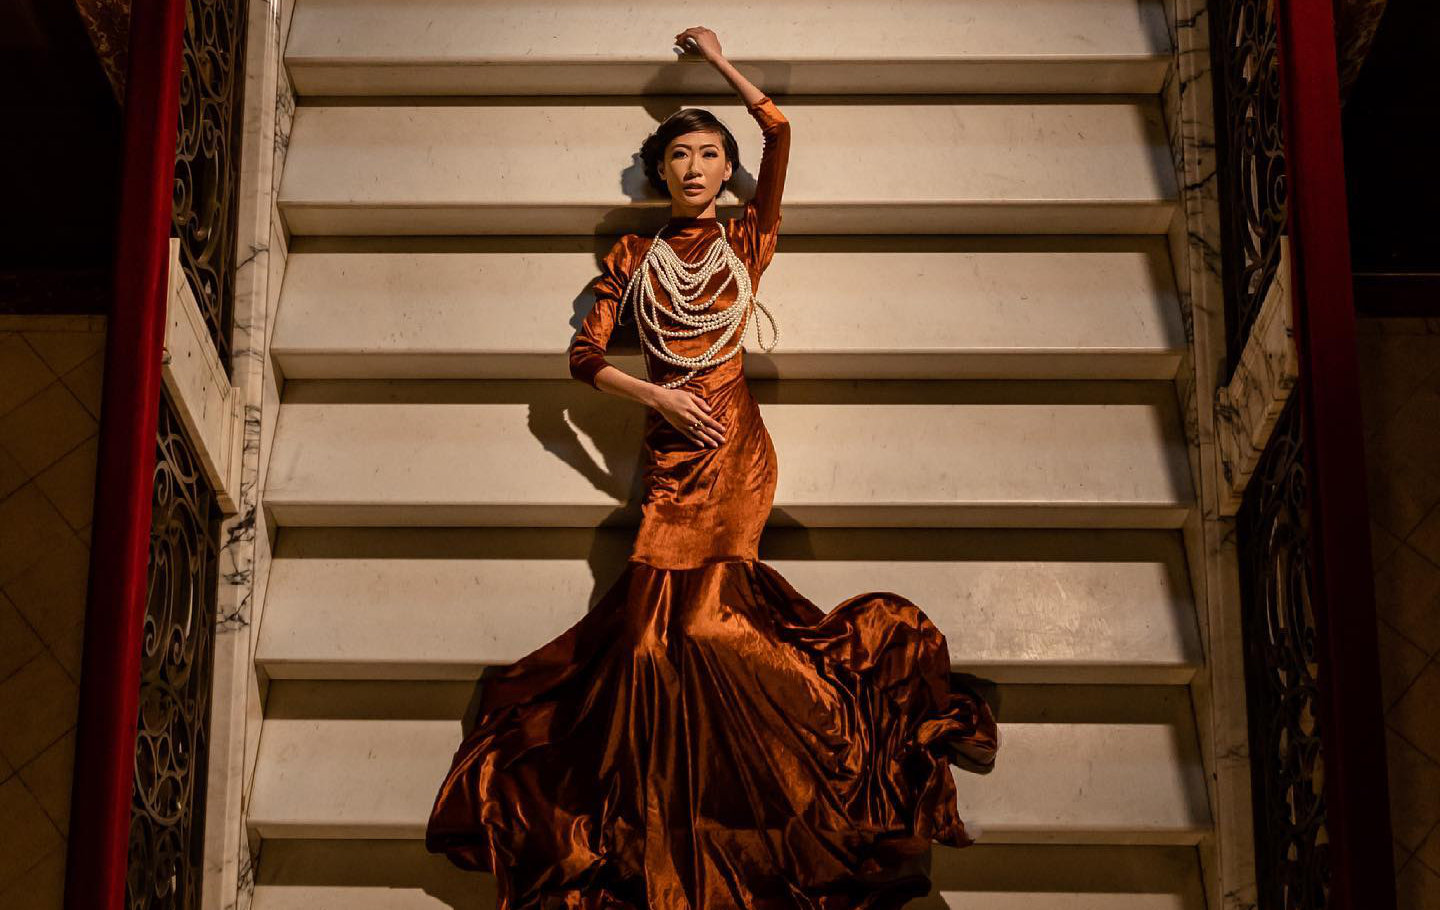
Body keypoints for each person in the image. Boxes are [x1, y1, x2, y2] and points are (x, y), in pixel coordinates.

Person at [426, 26, 998, 909]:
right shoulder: (634, 257)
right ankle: (678, 807)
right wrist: (653, 397)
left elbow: (780, 130)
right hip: (671, 453)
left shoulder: (747, 238)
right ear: (661, 172)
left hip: (735, 451)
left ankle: (830, 748)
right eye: (680, 156)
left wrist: (722, 61)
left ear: (727, 170)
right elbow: (582, 358)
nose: (694, 168)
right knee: (647, 644)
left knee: (702, 630)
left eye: (709, 155)